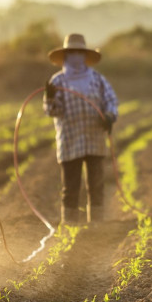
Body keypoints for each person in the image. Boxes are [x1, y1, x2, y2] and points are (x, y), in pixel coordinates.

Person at [43, 33, 119, 224]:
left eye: (79, 52)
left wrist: (109, 115)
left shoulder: (96, 79)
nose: (76, 56)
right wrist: (51, 98)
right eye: (72, 52)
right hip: (70, 138)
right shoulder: (57, 81)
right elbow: (52, 111)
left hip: (95, 137)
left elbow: (110, 100)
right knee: (71, 185)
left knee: (96, 183)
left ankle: (96, 224)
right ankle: (70, 226)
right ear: (66, 55)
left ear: (84, 55)